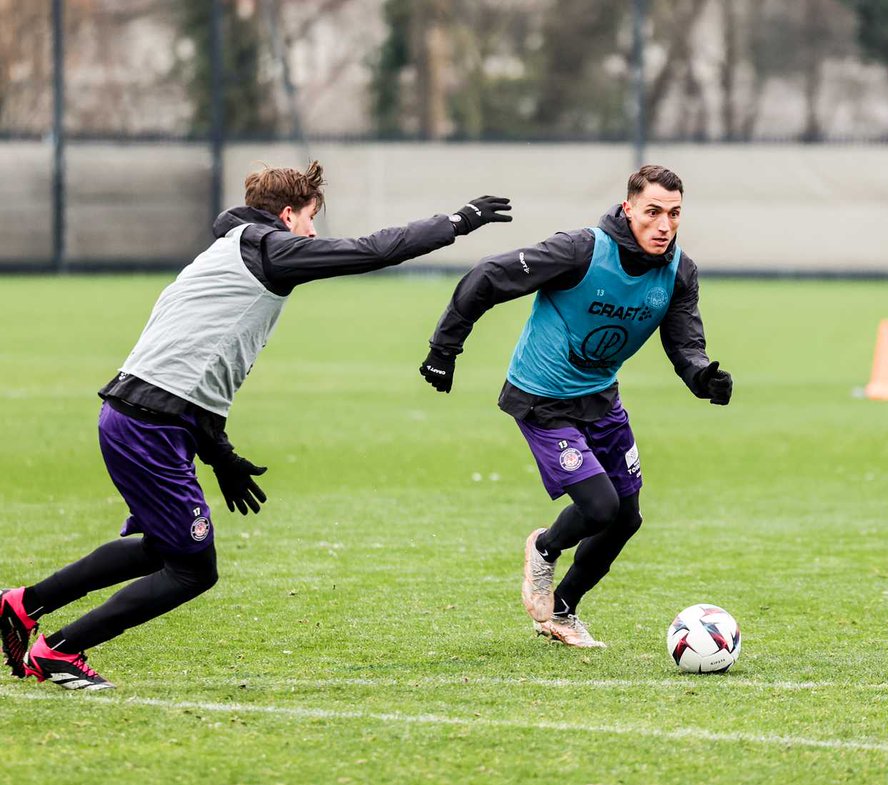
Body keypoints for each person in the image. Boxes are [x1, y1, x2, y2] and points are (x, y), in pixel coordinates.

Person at [0, 161, 512, 689]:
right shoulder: (268, 248)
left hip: (144, 418)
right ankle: (59, 650)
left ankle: (21, 604)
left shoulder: (230, 252)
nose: (312, 232)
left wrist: (220, 455)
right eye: (310, 218)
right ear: (287, 215)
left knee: (162, 545)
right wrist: (456, 223)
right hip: (151, 426)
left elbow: (197, 371)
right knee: (192, 570)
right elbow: (371, 250)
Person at [418, 165, 732, 648]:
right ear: (628, 209)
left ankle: (562, 610)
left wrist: (702, 376)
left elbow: (684, 341)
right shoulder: (580, 250)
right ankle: (544, 549)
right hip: (542, 398)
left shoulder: (679, 273)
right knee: (600, 507)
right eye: (652, 212)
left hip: (601, 398)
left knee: (627, 518)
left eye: (674, 214)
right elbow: (487, 276)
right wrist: (444, 351)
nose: (664, 225)